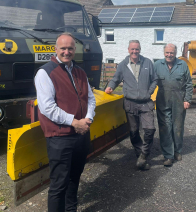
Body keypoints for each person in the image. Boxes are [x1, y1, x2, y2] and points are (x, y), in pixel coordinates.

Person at [34, 32, 96, 212]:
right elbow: (47, 108)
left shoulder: (80, 72)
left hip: (81, 134)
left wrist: (88, 119)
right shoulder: (45, 72)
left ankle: (71, 209)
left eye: (70, 48)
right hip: (60, 138)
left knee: (75, 177)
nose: (67, 52)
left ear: (74, 50)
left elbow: (90, 98)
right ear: (55, 49)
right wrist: (74, 122)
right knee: (59, 184)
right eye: (63, 48)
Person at [105, 40, 157, 170]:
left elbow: (155, 79)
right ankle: (140, 154)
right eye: (132, 49)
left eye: (137, 49)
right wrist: (110, 87)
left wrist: (148, 92)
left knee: (150, 130)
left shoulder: (148, 63)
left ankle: (144, 155)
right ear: (128, 50)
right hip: (130, 103)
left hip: (145, 103)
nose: (135, 52)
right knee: (133, 132)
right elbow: (115, 79)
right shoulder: (123, 65)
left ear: (140, 50)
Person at [154, 43, 193, 167]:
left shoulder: (183, 65)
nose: (169, 55)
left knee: (178, 127)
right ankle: (168, 155)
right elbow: (149, 82)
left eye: (171, 52)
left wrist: (187, 99)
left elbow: (189, 84)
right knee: (165, 127)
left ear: (175, 53)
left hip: (178, 100)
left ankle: (177, 151)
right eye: (167, 52)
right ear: (164, 52)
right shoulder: (156, 65)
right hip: (162, 100)